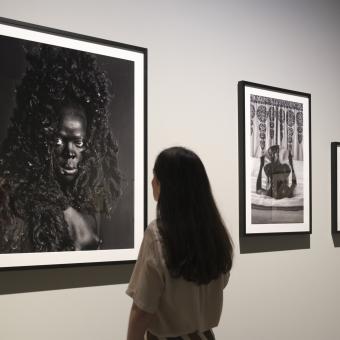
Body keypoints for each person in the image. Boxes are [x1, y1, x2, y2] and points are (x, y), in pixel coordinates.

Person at [0, 43, 121, 252]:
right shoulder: (14, 203)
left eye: (79, 142)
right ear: (40, 140)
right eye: (58, 140)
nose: (69, 153)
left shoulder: (92, 205)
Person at [126, 146, 233, 340]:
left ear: (168, 186)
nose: (152, 182)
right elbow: (221, 282)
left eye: (155, 177)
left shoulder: (158, 234)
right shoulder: (214, 234)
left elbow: (142, 310)